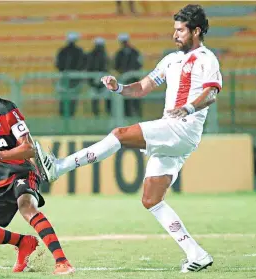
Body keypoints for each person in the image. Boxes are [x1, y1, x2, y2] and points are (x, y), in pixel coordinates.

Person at [35, 4, 221, 273]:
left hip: (183, 127)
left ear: (196, 31)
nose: (175, 35)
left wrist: (189, 108)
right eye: (175, 29)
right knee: (151, 200)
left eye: (180, 30)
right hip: (174, 132)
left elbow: (212, 93)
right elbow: (143, 87)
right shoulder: (170, 60)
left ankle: (59, 167)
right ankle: (197, 253)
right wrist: (119, 87)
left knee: (119, 134)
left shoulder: (207, 59)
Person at [0, 62, 74, 275]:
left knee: (26, 207)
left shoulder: (5, 109)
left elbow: (29, 149)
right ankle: (23, 243)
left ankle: (62, 262)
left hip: (22, 172)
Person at [55, 32, 86, 117]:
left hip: (64, 77)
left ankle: (63, 116)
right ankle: (71, 115)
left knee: (63, 98)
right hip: (75, 79)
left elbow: (58, 64)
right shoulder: (79, 51)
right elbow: (83, 64)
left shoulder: (62, 50)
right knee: (73, 98)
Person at [114, 33, 143, 117]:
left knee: (136, 98)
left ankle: (137, 114)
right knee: (125, 99)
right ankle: (127, 115)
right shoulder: (119, 53)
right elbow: (116, 65)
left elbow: (139, 64)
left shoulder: (135, 52)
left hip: (134, 79)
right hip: (124, 80)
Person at [86, 37, 111, 116]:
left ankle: (105, 114)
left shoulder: (104, 56)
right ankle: (97, 114)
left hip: (101, 81)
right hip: (95, 80)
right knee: (96, 100)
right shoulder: (92, 55)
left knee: (107, 99)